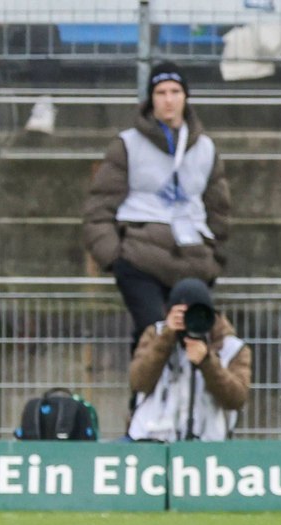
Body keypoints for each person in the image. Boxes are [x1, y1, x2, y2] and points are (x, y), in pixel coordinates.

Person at [82, 62, 231, 353]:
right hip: (140, 256)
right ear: (151, 99)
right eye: (161, 92)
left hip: (193, 258)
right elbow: (99, 206)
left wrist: (215, 256)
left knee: (194, 339)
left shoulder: (205, 148)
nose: (168, 100)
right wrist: (114, 257)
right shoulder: (128, 144)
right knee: (152, 336)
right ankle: (145, 384)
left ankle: (181, 385)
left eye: (175, 91)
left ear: (186, 97)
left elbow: (219, 208)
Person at [127, 278, 251, 442]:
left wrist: (207, 362)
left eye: (198, 313)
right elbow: (138, 382)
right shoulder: (155, 335)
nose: (190, 320)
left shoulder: (231, 347)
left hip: (208, 442)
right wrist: (166, 337)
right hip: (150, 437)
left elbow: (236, 399)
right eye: (183, 314)